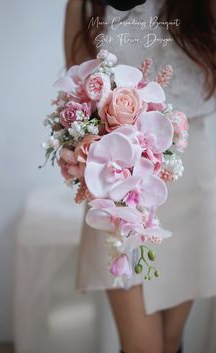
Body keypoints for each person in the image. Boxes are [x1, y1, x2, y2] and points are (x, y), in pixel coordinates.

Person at [64, 1, 216, 352]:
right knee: (142, 347)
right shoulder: (85, 4)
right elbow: (79, 89)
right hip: (117, 178)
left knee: (170, 343)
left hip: (192, 174)